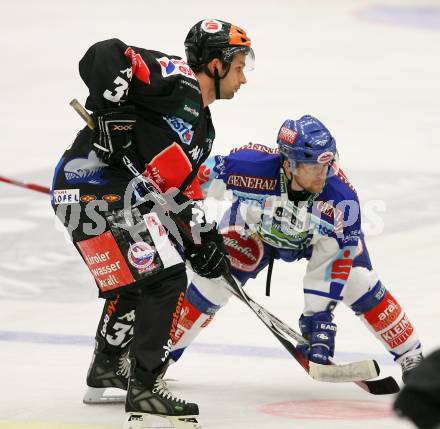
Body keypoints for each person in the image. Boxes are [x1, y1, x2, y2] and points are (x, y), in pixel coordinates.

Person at [51, 19, 254, 429]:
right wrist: (112, 115)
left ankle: (108, 367)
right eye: (238, 67)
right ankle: (145, 388)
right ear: (215, 64)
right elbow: (107, 52)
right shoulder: (175, 79)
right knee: (165, 278)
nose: (243, 79)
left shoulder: (203, 131)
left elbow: (178, 193)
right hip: (89, 185)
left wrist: (203, 239)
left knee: (145, 274)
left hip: (100, 195)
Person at [168, 114, 424, 382]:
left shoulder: (341, 200)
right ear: (288, 164)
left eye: (327, 164)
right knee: (212, 281)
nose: (322, 175)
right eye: (313, 167)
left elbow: (333, 261)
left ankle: (411, 355)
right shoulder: (247, 167)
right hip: (255, 230)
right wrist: (183, 222)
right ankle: (158, 358)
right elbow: (191, 180)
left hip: (316, 242)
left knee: (358, 280)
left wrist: (318, 318)